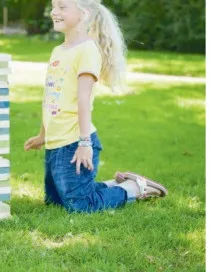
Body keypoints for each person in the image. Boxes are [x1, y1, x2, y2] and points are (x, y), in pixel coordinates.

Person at [24, 0, 166, 211]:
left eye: (63, 7)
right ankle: (115, 184)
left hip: (74, 142)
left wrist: (84, 143)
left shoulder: (87, 50)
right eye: (54, 6)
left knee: (80, 205)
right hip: (56, 141)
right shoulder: (58, 51)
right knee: (54, 201)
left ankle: (135, 188)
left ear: (84, 13)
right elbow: (51, 98)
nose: (55, 12)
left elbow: (83, 99)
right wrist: (43, 135)